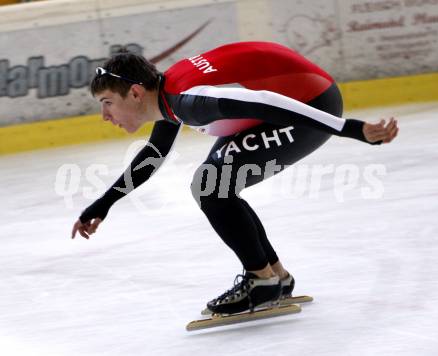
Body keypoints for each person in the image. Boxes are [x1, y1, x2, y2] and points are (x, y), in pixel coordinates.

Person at [71, 41, 398, 315]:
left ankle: (261, 281)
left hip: (309, 102)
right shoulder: (170, 95)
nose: (105, 116)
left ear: (136, 93)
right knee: (216, 183)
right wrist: (104, 204)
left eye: (107, 103)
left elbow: (267, 101)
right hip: (299, 96)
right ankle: (275, 276)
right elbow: (153, 155)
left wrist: (351, 129)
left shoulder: (188, 101)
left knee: (210, 184)